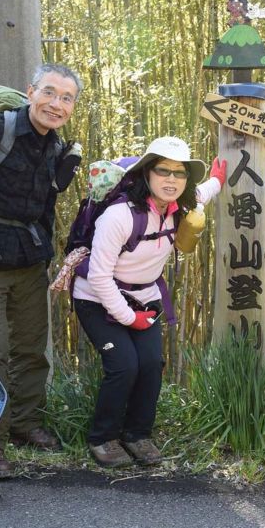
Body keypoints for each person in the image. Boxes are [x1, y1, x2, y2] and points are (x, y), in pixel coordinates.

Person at [72, 137, 225, 468]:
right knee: (124, 364)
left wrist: (218, 179)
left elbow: (205, 192)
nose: (171, 179)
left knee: (152, 364)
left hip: (144, 297)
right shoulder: (119, 215)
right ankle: (103, 437)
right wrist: (130, 319)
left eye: (180, 173)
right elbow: (98, 278)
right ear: (146, 173)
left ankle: (137, 434)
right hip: (97, 298)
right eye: (163, 170)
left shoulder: (179, 206)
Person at [0, 63, 82, 478]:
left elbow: (46, 208)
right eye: (49, 93)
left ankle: (26, 423)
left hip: (31, 261)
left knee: (33, 348)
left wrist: (51, 256)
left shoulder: (55, 147)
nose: (56, 104)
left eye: (66, 98)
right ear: (31, 91)